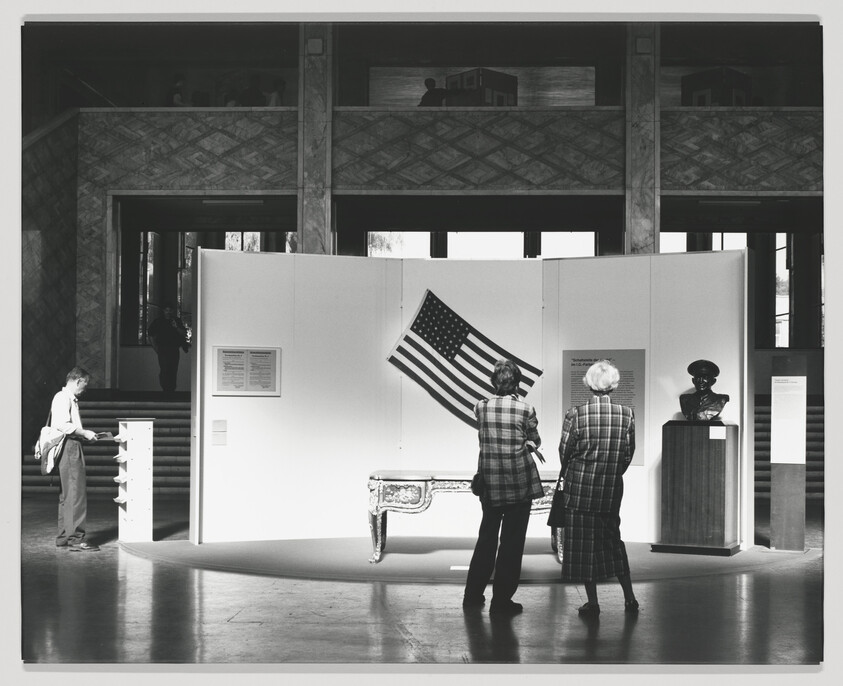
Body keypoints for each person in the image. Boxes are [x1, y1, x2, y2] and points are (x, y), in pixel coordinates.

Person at [463, 358, 546, 616]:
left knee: (486, 538)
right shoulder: (526, 409)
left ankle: (473, 595)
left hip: (490, 483)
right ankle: (501, 600)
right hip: (519, 482)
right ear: (518, 383)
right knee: (511, 543)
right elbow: (535, 440)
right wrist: (529, 443)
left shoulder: (481, 407)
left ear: (493, 382)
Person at [558, 359, 638, 616]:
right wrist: (611, 471)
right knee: (613, 542)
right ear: (613, 384)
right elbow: (628, 454)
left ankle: (593, 603)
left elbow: (564, 453)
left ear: (589, 383)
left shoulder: (576, 414)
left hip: (580, 490)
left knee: (584, 549)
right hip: (610, 489)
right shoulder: (626, 414)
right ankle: (630, 599)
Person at [51, 367, 100, 551]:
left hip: (70, 446)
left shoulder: (67, 399)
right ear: (78, 380)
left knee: (67, 495)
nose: (85, 389)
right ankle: (76, 539)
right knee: (76, 494)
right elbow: (62, 424)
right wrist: (84, 432)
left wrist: (84, 436)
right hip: (69, 447)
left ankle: (64, 537)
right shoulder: (63, 398)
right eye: (84, 385)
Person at [148, 302, 189, 393]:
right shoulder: (158, 321)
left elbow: (184, 333)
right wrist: (156, 348)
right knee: (165, 369)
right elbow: (150, 335)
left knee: (173, 369)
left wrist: (176, 327)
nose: (168, 312)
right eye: (166, 310)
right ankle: (166, 389)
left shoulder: (176, 321)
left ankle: (170, 389)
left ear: (172, 311)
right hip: (163, 348)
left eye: (170, 310)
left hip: (173, 349)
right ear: (163, 311)